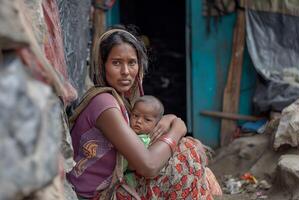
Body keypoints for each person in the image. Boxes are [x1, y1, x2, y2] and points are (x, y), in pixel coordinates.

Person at [67, 25, 220, 199]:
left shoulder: (123, 101)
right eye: (116, 63)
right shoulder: (104, 104)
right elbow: (149, 165)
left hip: (111, 186)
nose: (125, 72)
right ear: (103, 66)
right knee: (186, 152)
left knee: (192, 159)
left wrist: (171, 119)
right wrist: (179, 127)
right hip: (96, 195)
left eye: (131, 63)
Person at [124, 95, 176, 188]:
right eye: (135, 115)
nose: (139, 121)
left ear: (157, 124)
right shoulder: (126, 133)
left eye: (147, 119)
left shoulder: (155, 137)